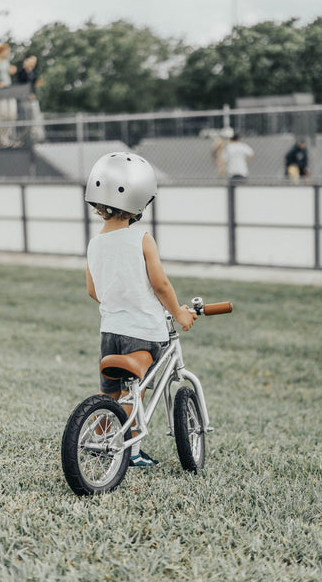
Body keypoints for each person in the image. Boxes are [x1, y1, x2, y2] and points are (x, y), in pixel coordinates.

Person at [85, 152, 197, 467]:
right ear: (140, 201)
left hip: (110, 333)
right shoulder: (142, 239)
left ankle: (101, 435)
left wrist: (119, 303)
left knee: (111, 393)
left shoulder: (94, 244)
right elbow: (161, 285)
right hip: (144, 333)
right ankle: (132, 452)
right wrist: (180, 313)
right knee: (136, 391)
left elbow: (93, 290)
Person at [17, 54, 45, 142]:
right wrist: (28, 94)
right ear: (26, 61)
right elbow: (21, 86)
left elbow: (32, 85)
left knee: (36, 117)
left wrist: (37, 84)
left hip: (32, 99)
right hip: (24, 99)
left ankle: (36, 137)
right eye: (32, 61)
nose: (34, 63)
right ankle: (25, 138)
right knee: (27, 118)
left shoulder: (33, 73)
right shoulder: (21, 72)